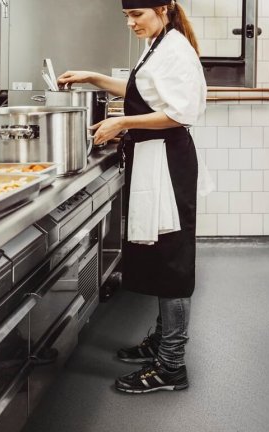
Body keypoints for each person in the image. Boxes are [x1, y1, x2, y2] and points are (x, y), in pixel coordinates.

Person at [57, 0, 206, 394]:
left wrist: (122, 121)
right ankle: (161, 343)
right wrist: (94, 77)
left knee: (172, 263)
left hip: (168, 164)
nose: (131, 23)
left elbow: (181, 112)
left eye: (137, 15)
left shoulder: (176, 50)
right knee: (161, 256)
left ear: (163, 9)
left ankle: (172, 366)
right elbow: (141, 89)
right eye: (127, 16)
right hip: (154, 158)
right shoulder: (158, 44)